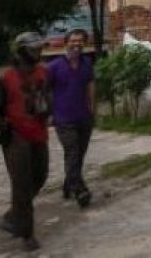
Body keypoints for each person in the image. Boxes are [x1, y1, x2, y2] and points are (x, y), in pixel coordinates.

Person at [0, 31, 50, 252]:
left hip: (39, 133)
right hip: (15, 137)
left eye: (40, 48)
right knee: (21, 185)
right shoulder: (4, 79)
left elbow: (46, 98)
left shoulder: (43, 72)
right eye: (34, 49)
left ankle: (14, 214)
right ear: (21, 51)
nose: (39, 52)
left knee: (40, 177)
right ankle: (27, 234)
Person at [46, 28, 95, 207]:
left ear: (84, 43)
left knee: (78, 154)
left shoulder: (87, 63)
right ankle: (80, 190)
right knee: (73, 152)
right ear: (66, 43)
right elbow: (44, 91)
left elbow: (90, 84)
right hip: (63, 118)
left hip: (84, 116)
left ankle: (68, 184)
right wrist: (49, 113)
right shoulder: (53, 66)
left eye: (80, 41)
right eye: (73, 41)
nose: (77, 44)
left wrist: (92, 108)